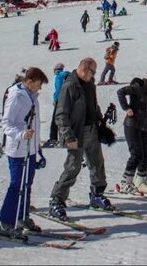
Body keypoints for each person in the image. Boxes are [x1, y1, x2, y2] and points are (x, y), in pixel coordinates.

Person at [48, 58, 113, 221]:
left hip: (92, 130)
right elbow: (60, 114)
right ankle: (57, 200)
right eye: (93, 72)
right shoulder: (70, 86)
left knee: (97, 163)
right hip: (76, 133)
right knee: (72, 167)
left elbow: (93, 105)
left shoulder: (90, 83)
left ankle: (97, 194)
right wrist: (68, 135)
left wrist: (101, 124)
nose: (94, 76)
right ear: (85, 69)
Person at [0, 67, 48, 241]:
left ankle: (22, 217)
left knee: (27, 184)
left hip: (30, 148)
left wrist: (37, 146)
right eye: (38, 84)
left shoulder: (31, 96)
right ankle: (6, 222)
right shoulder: (16, 95)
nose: (39, 89)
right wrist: (22, 134)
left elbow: (34, 122)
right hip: (18, 149)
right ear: (29, 81)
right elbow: (6, 123)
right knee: (16, 185)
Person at [117, 74, 147, 195]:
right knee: (136, 154)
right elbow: (120, 92)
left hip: (143, 125)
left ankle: (140, 181)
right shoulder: (138, 87)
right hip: (132, 125)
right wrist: (126, 108)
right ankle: (125, 182)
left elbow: (144, 109)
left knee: (145, 156)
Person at [45, 63, 68, 148]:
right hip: (67, 100)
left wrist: (55, 100)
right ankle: (65, 138)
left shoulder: (59, 77)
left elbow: (58, 90)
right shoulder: (67, 76)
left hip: (60, 101)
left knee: (54, 120)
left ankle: (53, 139)